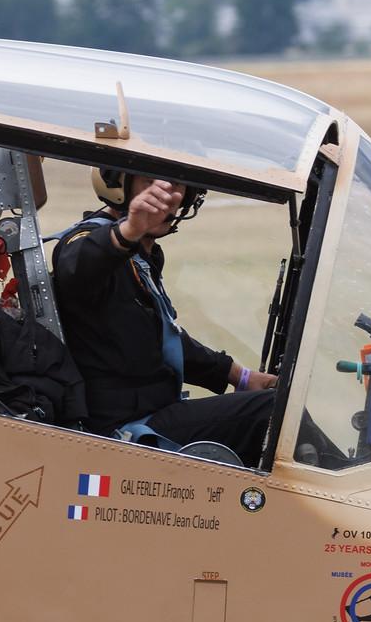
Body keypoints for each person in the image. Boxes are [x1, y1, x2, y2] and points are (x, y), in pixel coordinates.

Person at [51, 170, 278, 463]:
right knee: (271, 411)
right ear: (119, 186)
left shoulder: (146, 256)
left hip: (155, 411)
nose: (165, 195)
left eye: (176, 183)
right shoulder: (88, 241)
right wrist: (128, 231)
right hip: (119, 431)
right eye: (149, 182)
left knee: (282, 409)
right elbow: (76, 268)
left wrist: (239, 376)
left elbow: (162, 335)